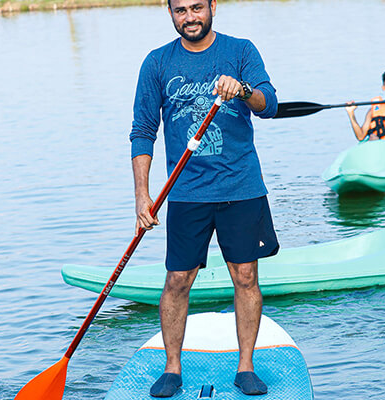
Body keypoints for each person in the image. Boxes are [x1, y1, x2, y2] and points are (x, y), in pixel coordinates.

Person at [129, 0, 279, 396]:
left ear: (213, 6)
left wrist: (243, 90)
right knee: (177, 280)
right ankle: (172, 368)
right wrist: (142, 194)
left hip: (240, 187)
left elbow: (270, 104)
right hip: (186, 192)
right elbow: (143, 130)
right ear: (170, 13)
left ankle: (245, 366)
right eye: (180, 10)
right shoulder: (157, 62)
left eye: (197, 7)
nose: (190, 17)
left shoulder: (240, 50)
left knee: (245, 276)